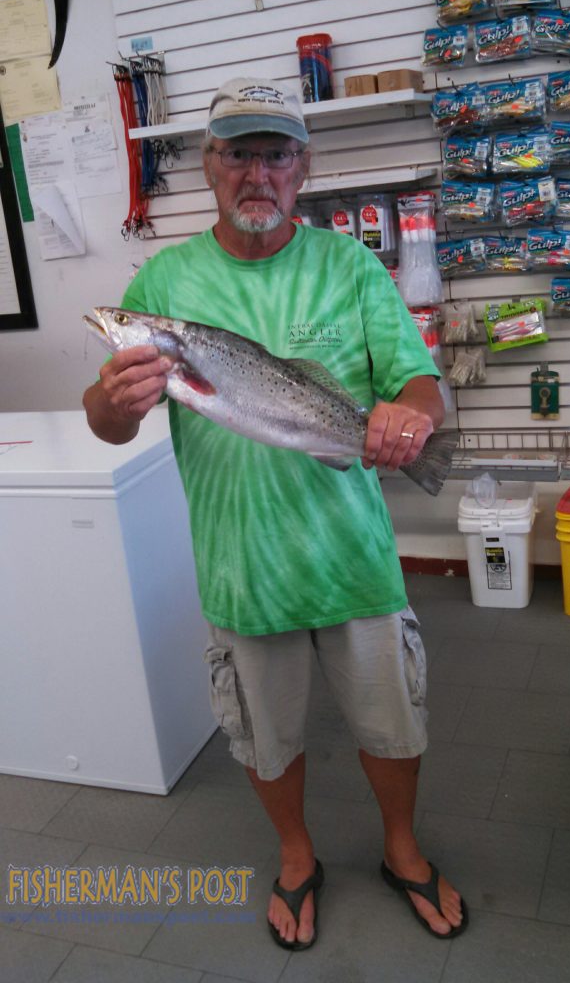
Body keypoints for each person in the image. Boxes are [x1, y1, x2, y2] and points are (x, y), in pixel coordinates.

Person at [83, 76, 468, 949]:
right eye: (238, 154)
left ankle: (402, 849)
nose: (258, 172)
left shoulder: (350, 265)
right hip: (240, 564)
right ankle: (297, 857)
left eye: (277, 153)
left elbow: (419, 386)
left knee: (392, 720)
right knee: (266, 737)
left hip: (353, 555)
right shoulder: (164, 280)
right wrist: (117, 396)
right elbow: (105, 425)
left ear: (304, 167)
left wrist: (412, 415)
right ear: (210, 168)